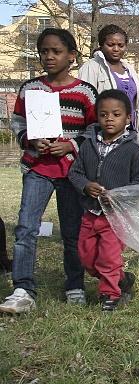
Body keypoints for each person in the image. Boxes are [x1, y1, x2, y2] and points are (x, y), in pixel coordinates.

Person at [0, 28, 97, 314]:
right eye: (44, 51)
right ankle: (23, 288)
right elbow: (18, 124)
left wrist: (71, 145)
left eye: (56, 51)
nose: (49, 57)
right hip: (37, 169)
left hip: (71, 173)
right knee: (26, 228)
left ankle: (75, 284)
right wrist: (31, 140)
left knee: (72, 230)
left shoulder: (84, 93)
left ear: (72, 56)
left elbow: (94, 130)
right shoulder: (30, 89)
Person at [68, 89, 139, 310]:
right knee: (87, 258)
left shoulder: (133, 150)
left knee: (108, 257)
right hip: (90, 213)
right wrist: (85, 186)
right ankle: (121, 279)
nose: (109, 119)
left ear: (128, 118)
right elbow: (74, 173)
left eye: (116, 114)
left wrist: (120, 194)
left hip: (115, 217)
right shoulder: (88, 145)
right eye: (104, 114)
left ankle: (110, 295)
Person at [78, 24, 139, 146]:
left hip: (130, 134)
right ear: (101, 45)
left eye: (121, 45)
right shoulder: (91, 67)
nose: (116, 49)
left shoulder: (130, 70)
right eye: (110, 45)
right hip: (102, 135)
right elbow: (84, 103)